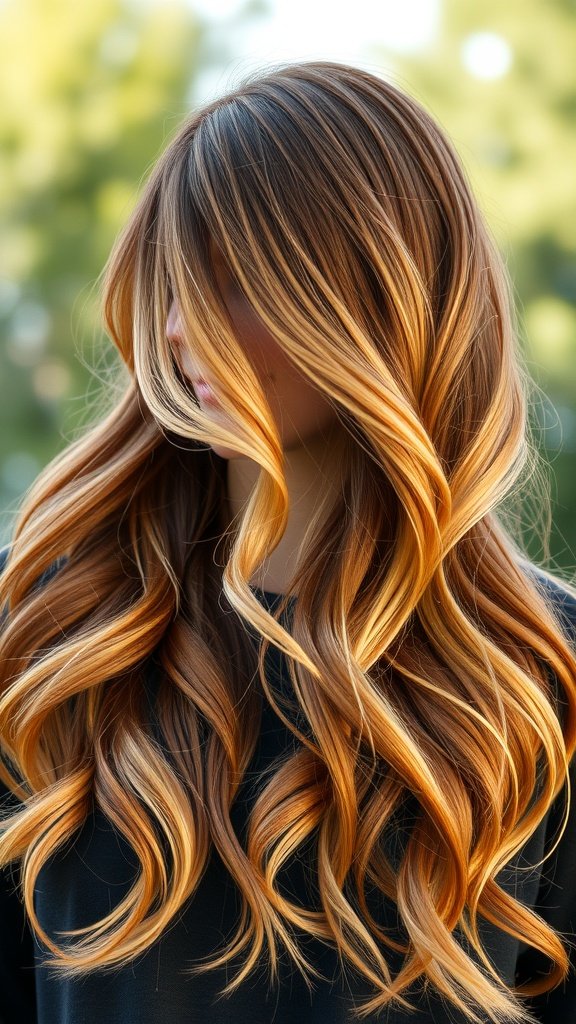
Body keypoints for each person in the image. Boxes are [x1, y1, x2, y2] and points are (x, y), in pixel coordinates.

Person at [0, 58, 575, 1024]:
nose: (181, 332)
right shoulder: (52, 641)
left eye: (236, 283)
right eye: (173, 285)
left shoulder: (539, 684)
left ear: (382, 300)